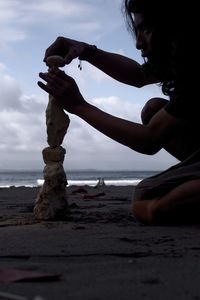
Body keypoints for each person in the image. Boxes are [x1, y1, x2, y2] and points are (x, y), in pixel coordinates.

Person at [38, 0, 200, 225]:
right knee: (154, 110)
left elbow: (149, 140)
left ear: (173, 26)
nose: (138, 43)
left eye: (147, 29)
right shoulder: (180, 53)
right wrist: (86, 50)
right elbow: (139, 76)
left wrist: (78, 106)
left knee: (147, 199)